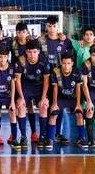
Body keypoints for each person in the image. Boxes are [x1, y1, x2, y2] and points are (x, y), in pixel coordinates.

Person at [38, 16, 73, 144]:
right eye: (49, 26)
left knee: (59, 105)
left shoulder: (65, 41)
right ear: (46, 27)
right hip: (44, 78)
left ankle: (57, 133)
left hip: (60, 79)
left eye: (54, 26)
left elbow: (72, 55)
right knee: (46, 105)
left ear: (58, 27)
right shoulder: (40, 40)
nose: (52, 29)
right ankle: (45, 134)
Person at [15, 40, 51, 149]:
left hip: (39, 87)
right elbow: (17, 80)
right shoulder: (21, 61)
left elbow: (46, 80)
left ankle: (42, 136)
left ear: (38, 52)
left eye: (34, 52)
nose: (32, 55)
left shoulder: (44, 61)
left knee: (44, 105)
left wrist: (44, 97)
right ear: (26, 52)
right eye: (30, 52)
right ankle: (23, 137)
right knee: (20, 106)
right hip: (25, 86)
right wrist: (21, 97)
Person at [50, 52, 86, 148]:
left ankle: (81, 138)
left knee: (79, 113)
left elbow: (78, 88)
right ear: (61, 63)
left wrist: (78, 104)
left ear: (72, 63)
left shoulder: (77, 71)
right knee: (54, 113)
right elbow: (55, 88)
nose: (66, 66)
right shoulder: (56, 71)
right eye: (64, 63)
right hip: (61, 98)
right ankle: (50, 139)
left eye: (68, 63)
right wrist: (54, 103)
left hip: (73, 98)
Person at [0, 47, 22, 150]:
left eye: (4, 57)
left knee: (12, 112)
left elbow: (13, 85)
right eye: (0, 57)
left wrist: (12, 101)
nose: (2, 59)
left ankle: (14, 139)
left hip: (8, 96)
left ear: (8, 57)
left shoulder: (12, 67)